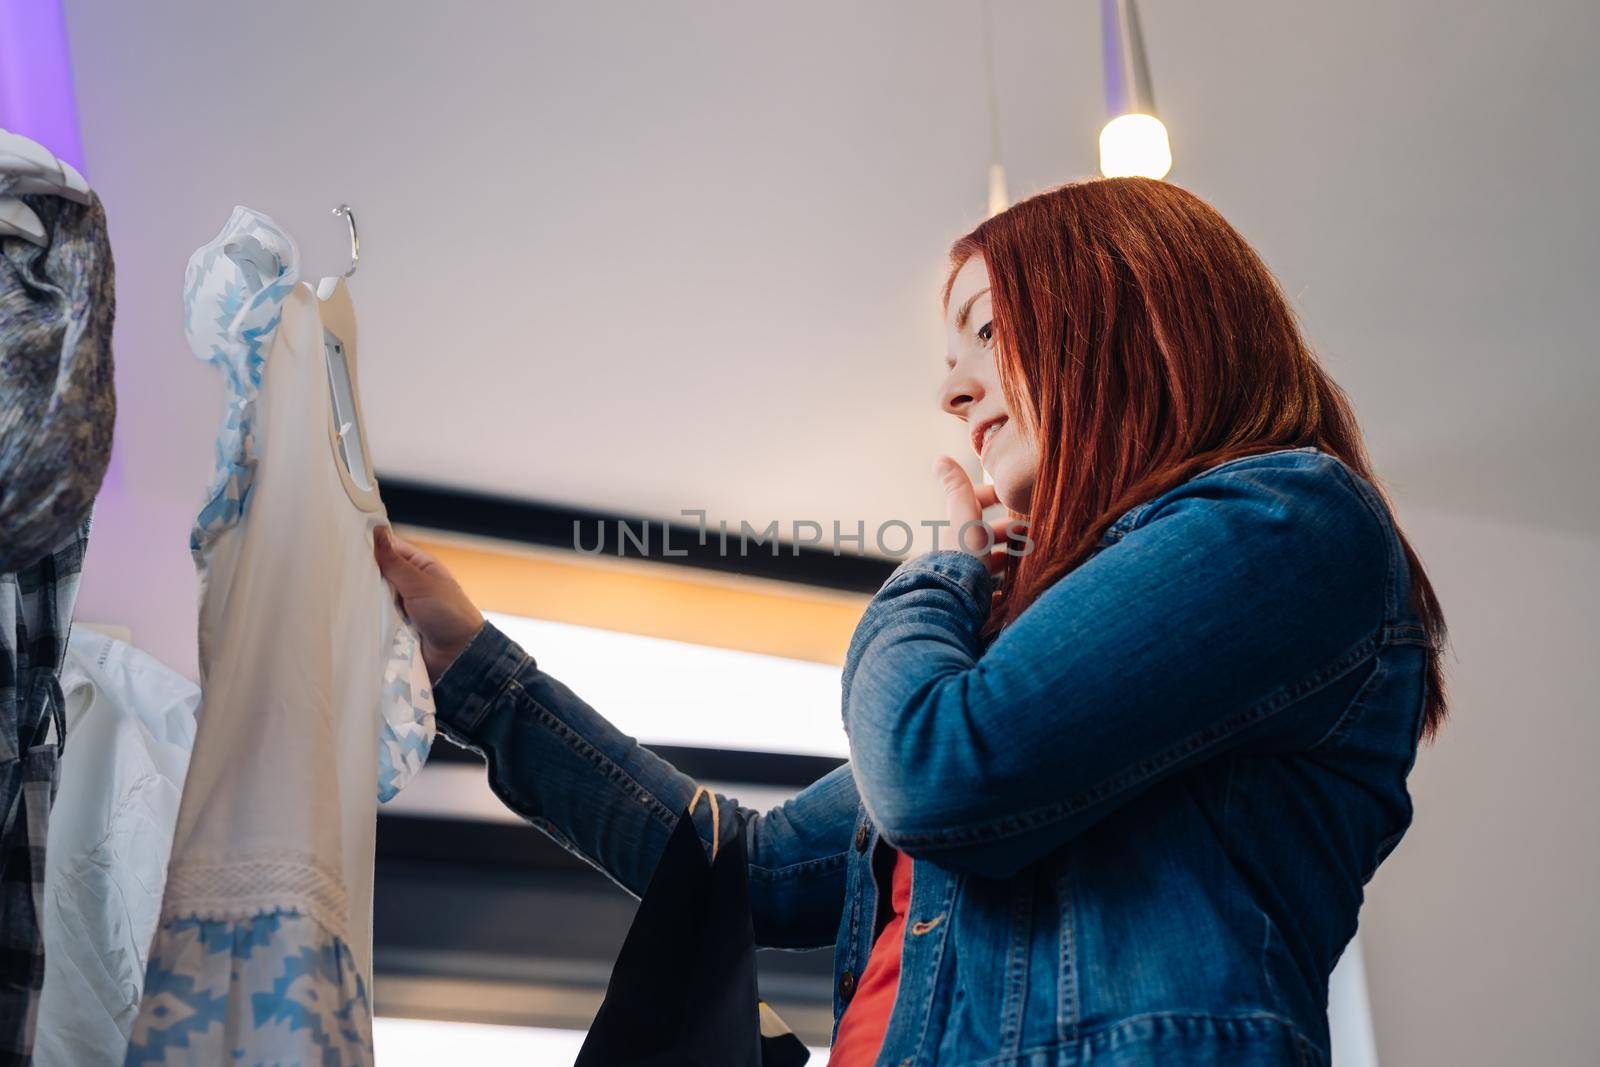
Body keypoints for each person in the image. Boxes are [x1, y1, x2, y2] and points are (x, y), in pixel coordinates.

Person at [374, 176, 1447, 1067]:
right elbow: (737, 869)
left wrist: (939, 573)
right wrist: (475, 667)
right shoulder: (1015, 655)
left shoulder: (1286, 519)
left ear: (1130, 309)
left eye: (985, 330)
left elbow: (940, 768)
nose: (951, 390)